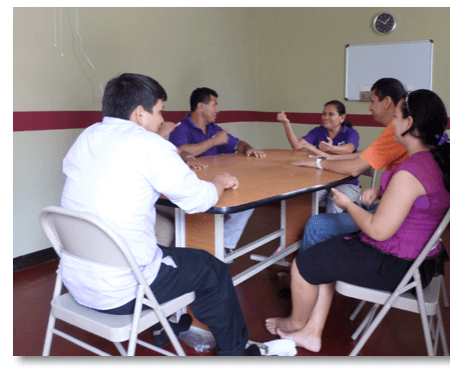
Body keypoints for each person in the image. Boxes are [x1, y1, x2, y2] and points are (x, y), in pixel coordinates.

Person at [60, 73, 259, 356]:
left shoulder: (88, 136)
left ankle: (163, 326)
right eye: (159, 111)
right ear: (140, 114)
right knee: (211, 267)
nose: (161, 118)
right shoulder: (151, 146)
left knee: (161, 244)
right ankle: (236, 354)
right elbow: (197, 200)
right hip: (122, 292)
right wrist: (220, 181)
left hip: (77, 280)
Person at [265, 89, 450, 353]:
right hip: (423, 262)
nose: (391, 123)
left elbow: (377, 230)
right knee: (327, 249)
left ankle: (294, 322)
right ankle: (311, 332)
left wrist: (348, 204)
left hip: (397, 267)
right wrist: (382, 192)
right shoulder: (435, 160)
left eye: (396, 116)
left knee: (304, 264)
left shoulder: (412, 170)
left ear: (409, 124)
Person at [291, 78, 408, 253]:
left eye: (372, 101)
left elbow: (355, 167)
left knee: (316, 224)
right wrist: (326, 157)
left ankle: (306, 273)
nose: (369, 107)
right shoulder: (406, 134)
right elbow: (363, 155)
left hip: (392, 216)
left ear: (388, 102)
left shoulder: (396, 132)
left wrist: (318, 162)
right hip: (392, 206)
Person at [156, 87, 266, 260]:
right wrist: (213, 142)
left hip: (215, 184)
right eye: (214, 105)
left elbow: (238, 144)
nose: (217, 110)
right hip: (192, 189)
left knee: (249, 199)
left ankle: (222, 244)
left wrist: (249, 148)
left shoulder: (214, 129)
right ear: (201, 106)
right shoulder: (180, 128)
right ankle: (212, 248)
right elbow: (181, 150)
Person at [278, 100, 360, 213]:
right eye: (324, 114)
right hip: (322, 182)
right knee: (305, 201)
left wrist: (332, 148)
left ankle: (332, 230)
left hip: (347, 184)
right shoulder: (318, 131)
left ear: (342, 117)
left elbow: (349, 149)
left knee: (334, 203)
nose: (325, 117)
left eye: (331, 114)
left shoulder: (351, 132)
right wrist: (286, 124)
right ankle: (309, 229)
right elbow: (297, 146)